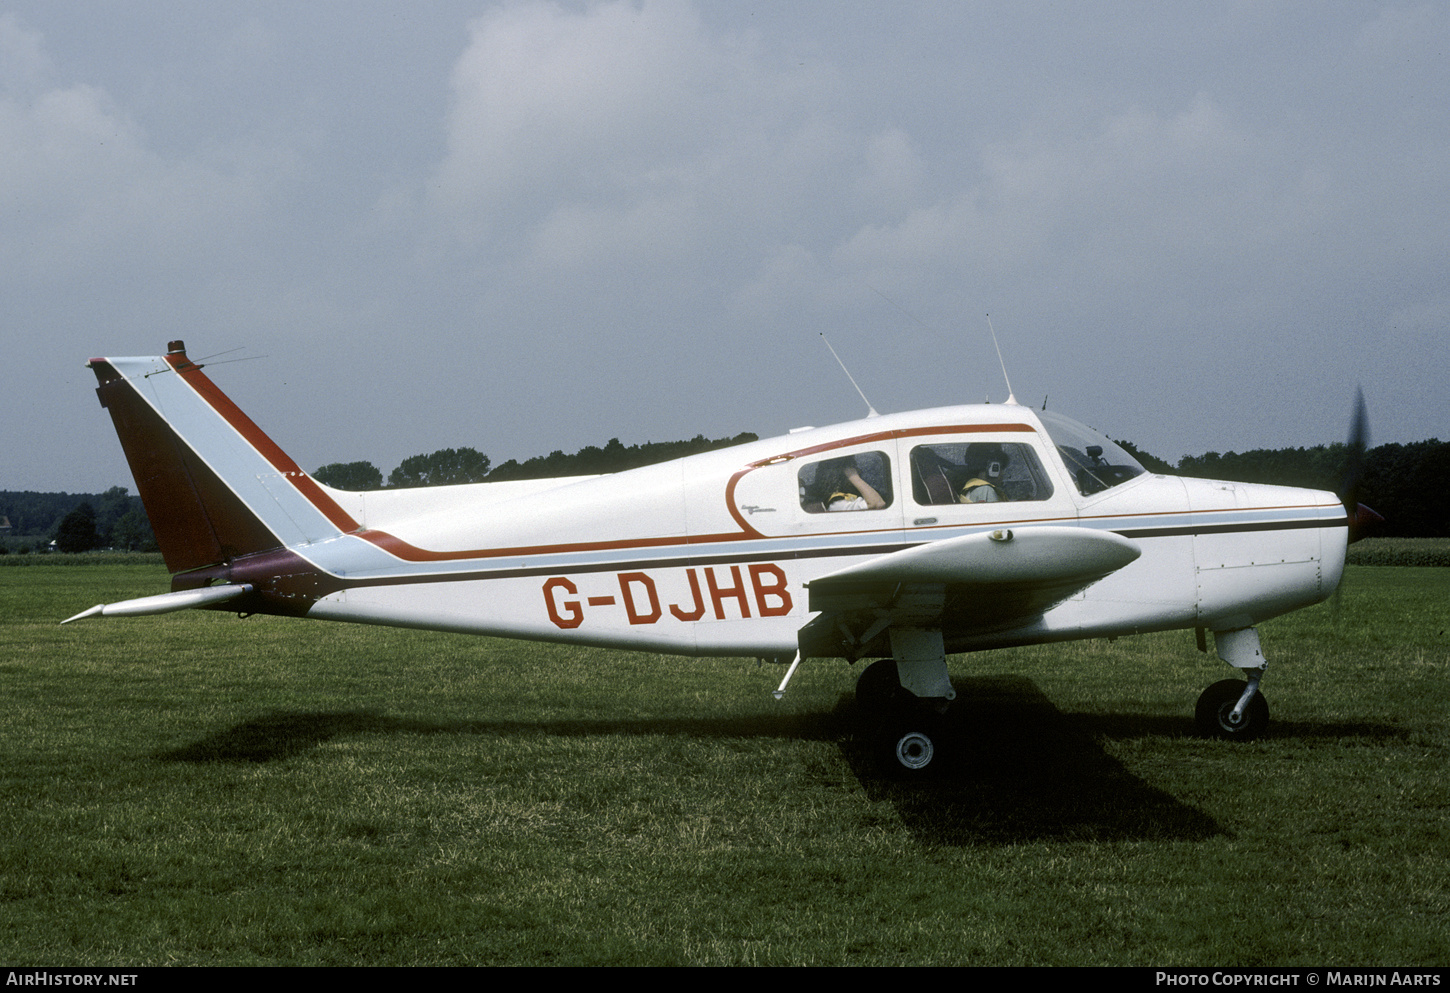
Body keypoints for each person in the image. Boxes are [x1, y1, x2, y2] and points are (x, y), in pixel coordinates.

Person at [818, 457, 887, 511]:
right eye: (854, 468)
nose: (858, 470)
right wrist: (852, 476)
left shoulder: (853, 493)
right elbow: (877, 504)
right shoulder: (837, 503)